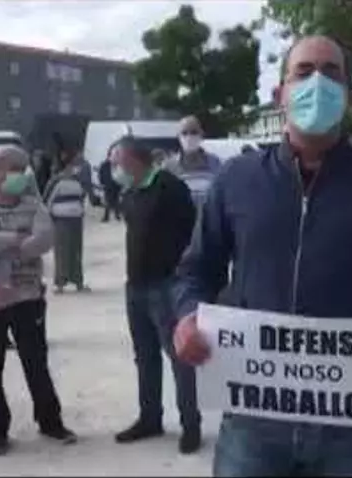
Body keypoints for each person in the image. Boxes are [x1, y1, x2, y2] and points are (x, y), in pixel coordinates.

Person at [171, 35, 352, 476]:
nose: (318, 84)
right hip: (253, 421)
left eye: (332, 73)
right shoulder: (237, 179)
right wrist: (187, 314)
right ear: (280, 94)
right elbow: (196, 269)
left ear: (351, 96)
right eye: (303, 73)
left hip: (348, 427)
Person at [0, 144, 77, 456]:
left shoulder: (35, 208)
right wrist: (17, 239)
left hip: (28, 298)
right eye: (14, 168)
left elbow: (43, 241)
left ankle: (50, 422)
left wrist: (0, 243)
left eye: (23, 168)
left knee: (36, 363)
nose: (22, 175)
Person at [109, 135, 201, 454]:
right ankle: (150, 418)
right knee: (144, 355)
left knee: (179, 357)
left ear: (134, 160)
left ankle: (190, 424)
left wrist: (184, 276)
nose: (114, 168)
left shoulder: (170, 188)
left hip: (166, 285)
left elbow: (192, 232)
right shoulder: (130, 192)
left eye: (117, 161)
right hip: (135, 285)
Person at [43, 149, 90, 293]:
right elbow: (47, 199)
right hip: (60, 220)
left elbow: (83, 197)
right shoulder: (55, 181)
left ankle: (78, 281)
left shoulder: (77, 180)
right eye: (74, 165)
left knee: (76, 250)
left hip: (76, 219)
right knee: (62, 250)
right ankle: (60, 283)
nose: (76, 168)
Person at [163, 115, 222, 208]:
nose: (189, 137)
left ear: (201, 134)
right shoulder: (169, 166)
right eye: (184, 133)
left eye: (194, 132)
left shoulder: (215, 163)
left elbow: (220, 194)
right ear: (178, 136)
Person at [98, 151, 122, 222]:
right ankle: (106, 217)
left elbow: (120, 174)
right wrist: (102, 183)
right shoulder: (104, 165)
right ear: (108, 156)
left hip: (116, 185)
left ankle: (117, 215)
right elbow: (100, 174)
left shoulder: (117, 164)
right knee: (107, 201)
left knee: (116, 201)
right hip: (108, 185)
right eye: (111, 156)